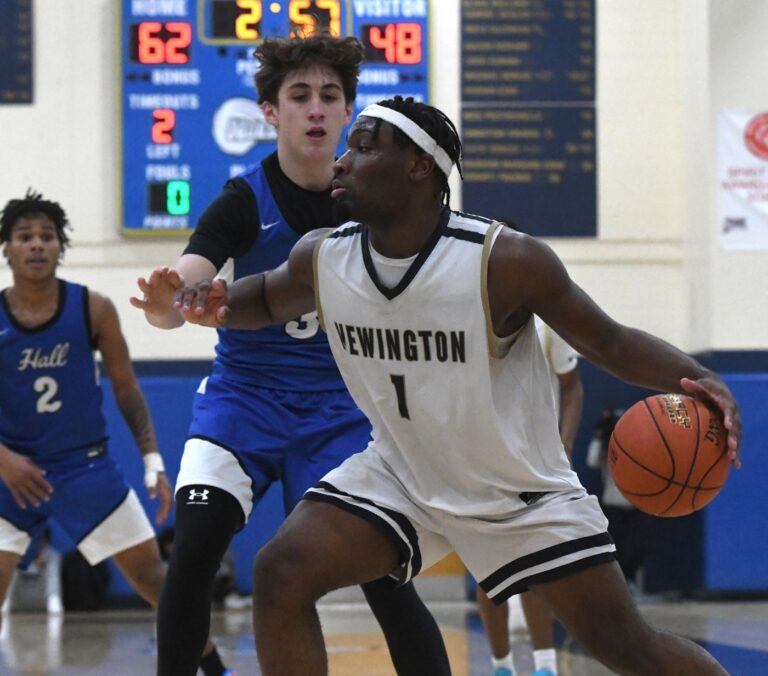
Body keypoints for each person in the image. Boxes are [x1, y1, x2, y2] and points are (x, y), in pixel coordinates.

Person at [175, 95, 742, 676]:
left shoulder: (504, 261)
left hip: (517, 494)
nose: (341, 161)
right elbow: (266, 297)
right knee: (281, 570)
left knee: (631, 650)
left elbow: (611, 343)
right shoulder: (324, 255)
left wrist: (702, 376)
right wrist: (216, 304)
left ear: (420, 166)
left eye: (365, 146)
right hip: (402, 475)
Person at [130, 35, 451, 676]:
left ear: (348, 111)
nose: (315, 109)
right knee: (192, 553)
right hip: (242, 404)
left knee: (386, 576)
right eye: (299, 95)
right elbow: (185, 292)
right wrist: (167, 302)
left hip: (340, 413)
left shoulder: (374, 204)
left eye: (329, 96)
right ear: (270, 112)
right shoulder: (243, 199)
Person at [0, 191, 231, 676]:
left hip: (83, 467)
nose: (36, 245)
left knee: (154, 578)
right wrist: (3, 460)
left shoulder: (93, 307)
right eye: (25, 237)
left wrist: (152, 461)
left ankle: (213, 667)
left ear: (60, 248)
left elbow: (126, 389)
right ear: (8, 249)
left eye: (46, 237)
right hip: (12, 470)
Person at [477, 317, 584, 676]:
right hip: (480, 454)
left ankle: (544, 667)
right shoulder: (465, 307)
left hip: (534, 458)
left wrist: (564, 444)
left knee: (535, 564)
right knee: (487, 570)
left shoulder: (550, 316)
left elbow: (571, 387)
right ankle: (501, 667)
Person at [586, 405, 652, 587]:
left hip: (636, 505)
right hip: (612, 505)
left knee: (641, 546)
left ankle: (630, 577)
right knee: (616, 549)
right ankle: (620, 584)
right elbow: (591, 461)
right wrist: (600, 436)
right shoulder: (607, 448)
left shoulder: (638, 446)